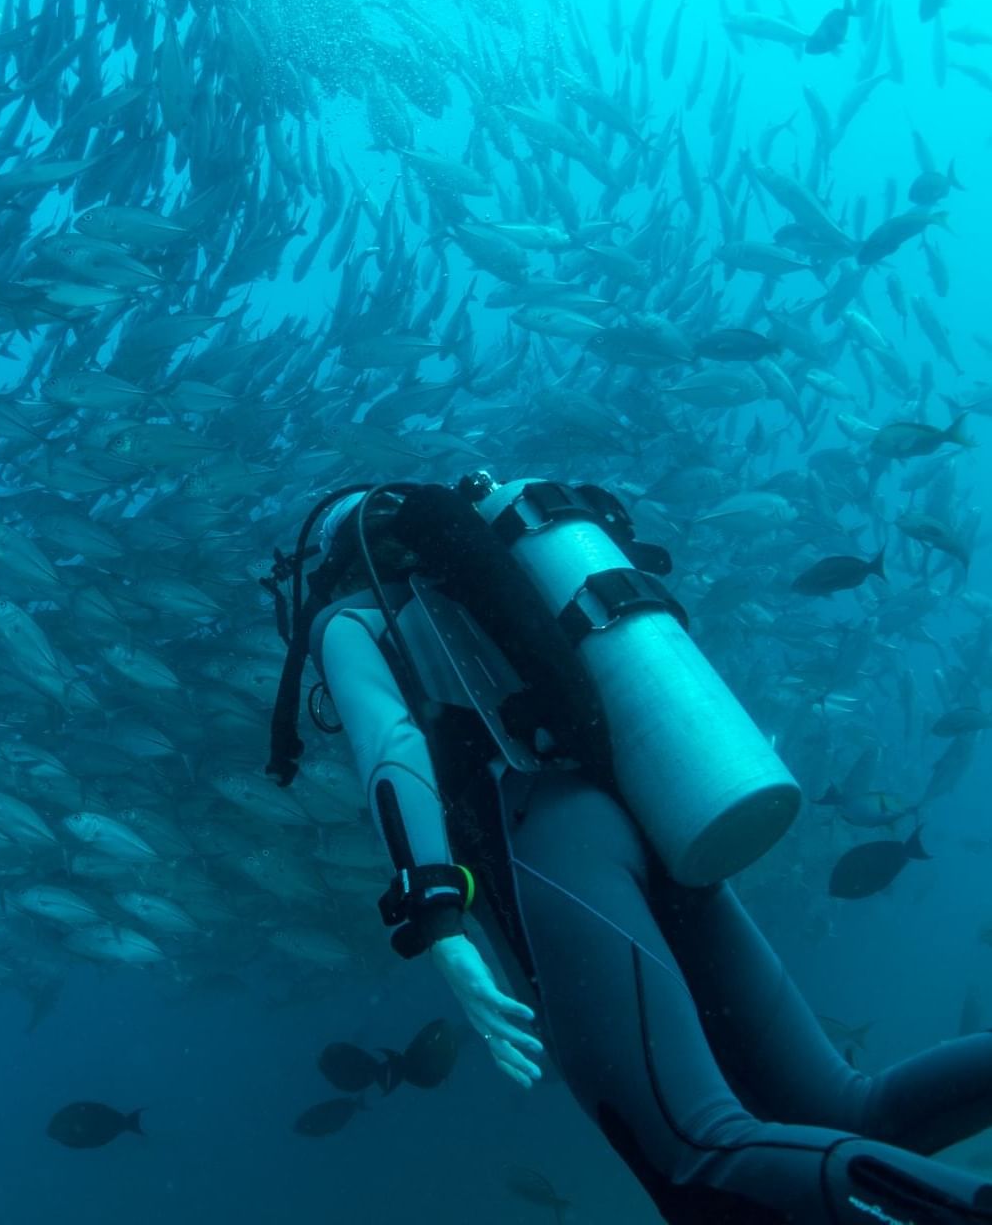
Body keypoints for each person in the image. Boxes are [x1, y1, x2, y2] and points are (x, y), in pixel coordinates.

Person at [262, 474, 992, 1225]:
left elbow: (392, 748)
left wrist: (438, 920)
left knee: (694, 1155)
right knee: (847, 1107)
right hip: (653, 811)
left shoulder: (350, 621)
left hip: (553, 840)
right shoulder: (511, 591)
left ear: (338, 561)